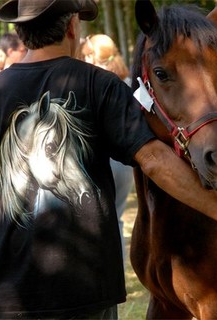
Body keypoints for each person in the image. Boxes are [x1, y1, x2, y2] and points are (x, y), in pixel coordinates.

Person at [0, 1, 217, 319]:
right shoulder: (97, 85)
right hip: (85, 295)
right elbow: (155, 161)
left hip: (7, 298)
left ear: (20, 29)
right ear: (72, 27)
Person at [81, 34, 134, 259]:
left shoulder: (94, 84)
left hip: (105, 161)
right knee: (117, 220)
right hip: (126, 165)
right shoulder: (128, 82)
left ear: (92, 56)